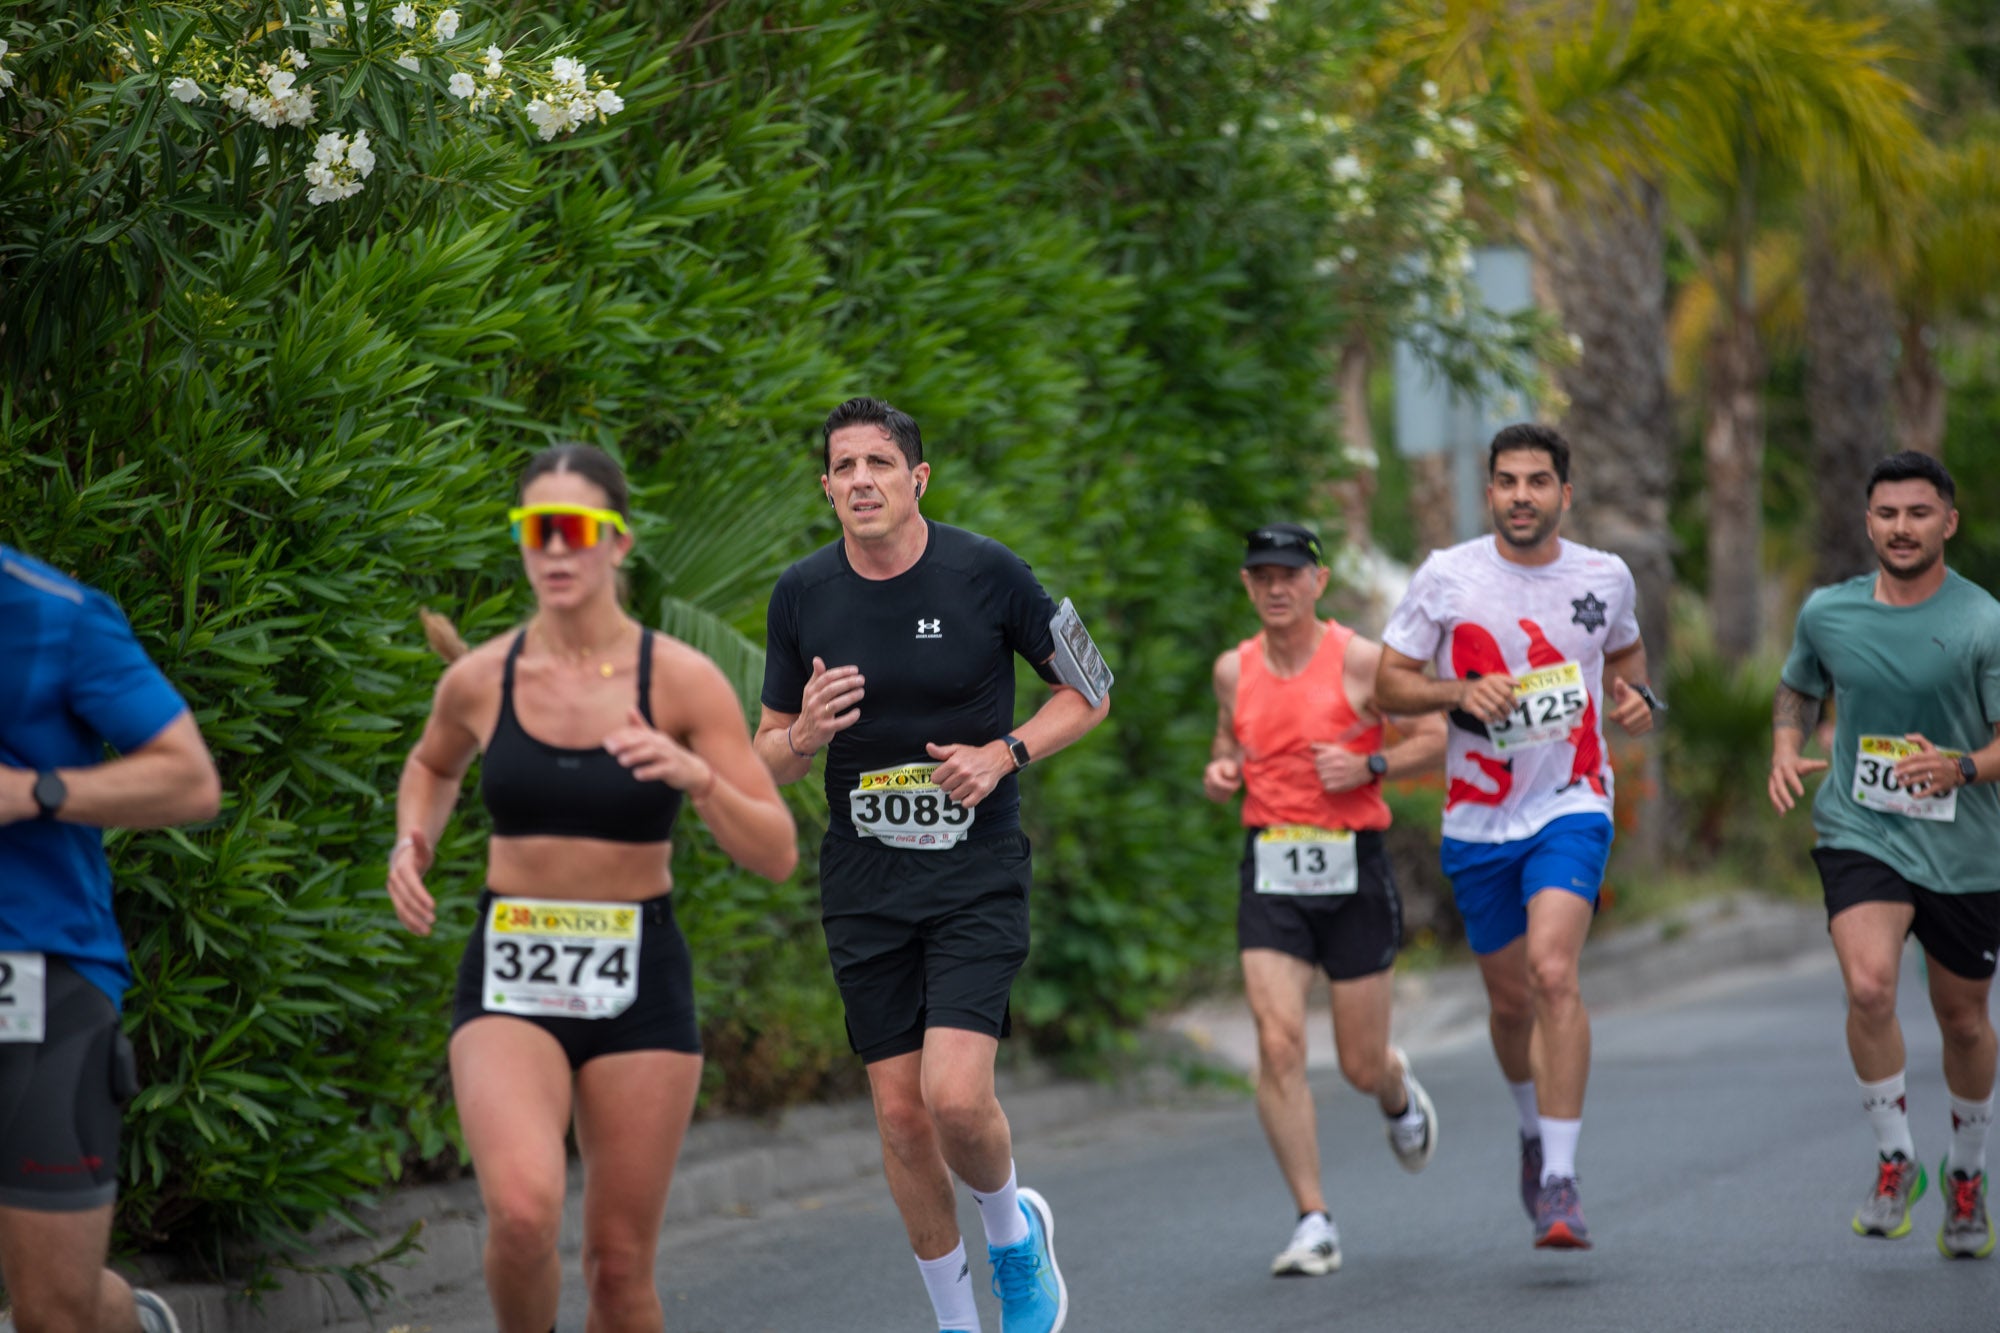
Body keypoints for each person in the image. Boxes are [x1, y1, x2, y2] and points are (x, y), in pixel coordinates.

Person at [385, 444, 798, 1333]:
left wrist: (698, 776)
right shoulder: (482, 678)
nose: (557, 550)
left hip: (640, 979)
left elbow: (775, 851)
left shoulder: (680, 679)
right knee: (525, 1215)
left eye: (578, 529)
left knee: (618, 1270)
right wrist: (410, 840)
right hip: (510, 968)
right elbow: (431, 763)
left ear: (618, 543)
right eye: (538, 531)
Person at [753, 397, 1109, 1333]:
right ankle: (956, 1320)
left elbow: (1091, 690)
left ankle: (1013, 1235)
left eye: (880, 462)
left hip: (974, 872)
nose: (861, 479)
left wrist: (1005, 755)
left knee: (954, 1097)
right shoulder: (802, 593)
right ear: (825, 486)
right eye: (844, 466)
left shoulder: (988, 573)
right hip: (865, 880)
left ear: (918, 478)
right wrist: (802, 733)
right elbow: (763, 756)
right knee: (903, 1118)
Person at [1374, 422, 1658, 1250]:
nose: (1523, 495)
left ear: (1565, 494)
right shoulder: (1446, 577)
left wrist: (1639, 700)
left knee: (1552, 971)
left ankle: (1562, 1180)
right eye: (1508, 481)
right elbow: (1392, 682)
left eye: (1539, 481)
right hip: (1478, 816)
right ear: (1490, 491)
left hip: (1573, 800)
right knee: (1509, 1003)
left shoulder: (1605, 577)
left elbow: (1629, 662)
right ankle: (1533, 1129)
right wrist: (1459, 693)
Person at [1202, 522, 1448, 1278]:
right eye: (1262, 575)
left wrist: (1370, 760)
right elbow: (1226, 744)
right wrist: (1221, 771)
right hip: (1272, 868)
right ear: (1247, 585)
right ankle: (1314, 1218)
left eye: (1290, 574)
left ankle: (1395, 1088)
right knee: (1277, 1043)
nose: (1276, 587)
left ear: (1319, 580)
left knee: (1357, 1061)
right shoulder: (1233, 671)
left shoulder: (1363, 660)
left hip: (1352, 871)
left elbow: (1436, 734)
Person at [1769, 450, 1998, 1260]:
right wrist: (1784, 742)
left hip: (1965, 839)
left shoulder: (1983, 621)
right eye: (1888, 513)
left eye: (1919, 512)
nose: (1902, 527)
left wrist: (1963, 765)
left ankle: (1966, 1175)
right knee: (1869, 986)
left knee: (1963, 1018)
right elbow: (1799, 684)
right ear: (1869, 522)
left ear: (1948, 522)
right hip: (1860, 824)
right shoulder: (1828, 613)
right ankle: (1896, 1156)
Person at [0, 544, 223, 1333]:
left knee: (54, 1307)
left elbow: (189, 779)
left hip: (37, 972)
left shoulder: (55, 614)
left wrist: (32, 790)